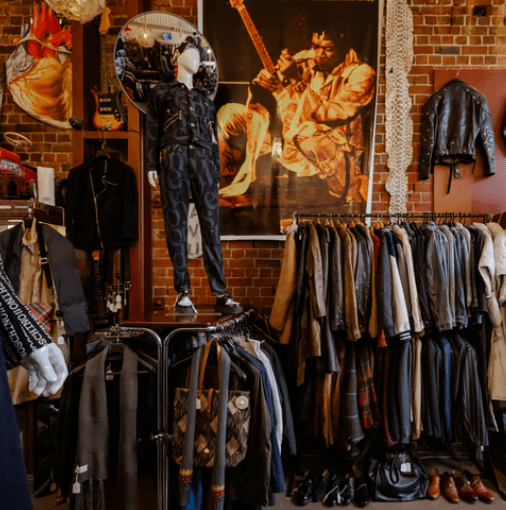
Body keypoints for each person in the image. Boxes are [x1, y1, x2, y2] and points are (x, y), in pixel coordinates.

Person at [217, 22, 376, 204]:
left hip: (333, 153)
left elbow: (325, 115)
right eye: (315, 46)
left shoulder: (362, 74)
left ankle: (329, 190)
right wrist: (268, 82)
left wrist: (297, 80)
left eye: (327, 49)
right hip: (292, 142)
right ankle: (220, 180)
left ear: (344, 46)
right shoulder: (305, 59)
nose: (319, 54)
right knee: (229, 113)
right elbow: (282, 93)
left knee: (307, 132)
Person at [145, 41, 242, 313]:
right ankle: (183, 292)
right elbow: (153, 128)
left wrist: (215, 169)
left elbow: (214, 139)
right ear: (178, 58)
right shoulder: (161, 92)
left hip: (203, 160)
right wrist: (152, 164)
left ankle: (220, 292)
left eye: (198, 56)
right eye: (190, 54)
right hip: (173, 157)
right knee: (175, 222)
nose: (195, 59)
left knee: (210, 225)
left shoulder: (205, 100)